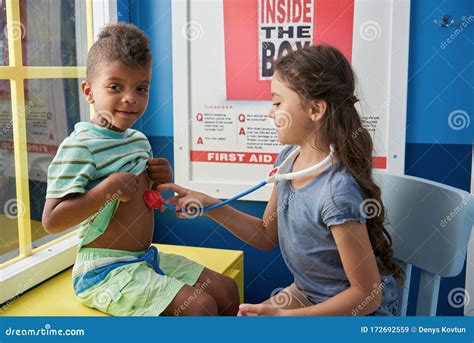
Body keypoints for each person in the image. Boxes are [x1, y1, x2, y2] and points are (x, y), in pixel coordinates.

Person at [157, 45, 402, 316]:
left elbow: (366, 296)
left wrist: (285, 317)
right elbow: (265, 235)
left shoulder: (336, 192)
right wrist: (211, 205)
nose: (270, 113)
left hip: (354, 311)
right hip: (310, 294)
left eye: (277, 102)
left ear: (316, 110)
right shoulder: (288, 159)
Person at [42, 23, 239, 316]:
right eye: (114, 87)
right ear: (88, 91)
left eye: (141, 88)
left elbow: (146, 200)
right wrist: (107, 189)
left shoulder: (137, 141)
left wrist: (160, 181)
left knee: (225, 290)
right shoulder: (80, 147)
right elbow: (52, 221)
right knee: (199, 307)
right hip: (101, 271)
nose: (130, 97)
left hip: (143, 257)